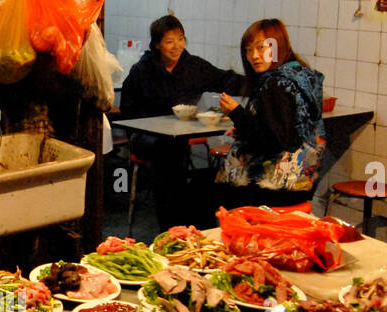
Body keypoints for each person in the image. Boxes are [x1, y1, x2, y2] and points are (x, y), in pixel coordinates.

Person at [119, 15, 244, 228]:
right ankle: (172, 225)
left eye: (180, 39)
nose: (176, 46)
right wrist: (147, 124)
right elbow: (127, 108)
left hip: (178, 137)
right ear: (157, 45)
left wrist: (262, 81)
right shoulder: (143, 70)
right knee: (168, 152)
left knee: (179, 161)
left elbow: (226, 79)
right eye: (169, 41)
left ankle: (185, 223)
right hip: (145, 137)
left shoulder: (193, 66)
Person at [210, 19, 325, 219]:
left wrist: (237, 113)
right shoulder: (301, 74)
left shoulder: (276, 84)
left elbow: (275, 141)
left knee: (196, 196)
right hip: (303, 180)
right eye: (248, 50)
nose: (254, 56)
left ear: (278, 45)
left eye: (261, 48)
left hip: (275, 187)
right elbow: (286, 129)